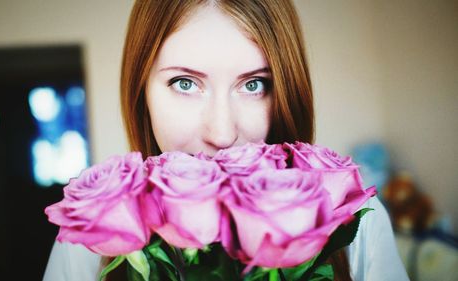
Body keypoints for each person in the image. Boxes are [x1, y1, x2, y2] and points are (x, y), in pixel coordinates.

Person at [43, 0, 409, 280]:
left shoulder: (357, 225)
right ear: (141, 92)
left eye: (254, 84)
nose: (221, 134)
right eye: (184, 83)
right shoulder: (88, 239)